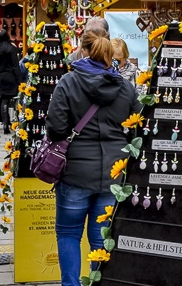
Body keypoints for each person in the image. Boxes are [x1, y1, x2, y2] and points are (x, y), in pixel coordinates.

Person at [47, 31, 140, 286]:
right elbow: (138, 128)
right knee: (102, 238)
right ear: (112, 57)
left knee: (68, 233)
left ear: (84, 52)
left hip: (75, 171)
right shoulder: (126, 87)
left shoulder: (68, 82)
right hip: (113, 171)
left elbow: (55, 128)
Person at [0, 29, 21, 132]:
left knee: (4, 100)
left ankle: (5, 124)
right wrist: (19, 80)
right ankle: (15, 122)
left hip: (2, 76)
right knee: (15, 99)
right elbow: (15, 66)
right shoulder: (11, 49)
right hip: (11, 76)